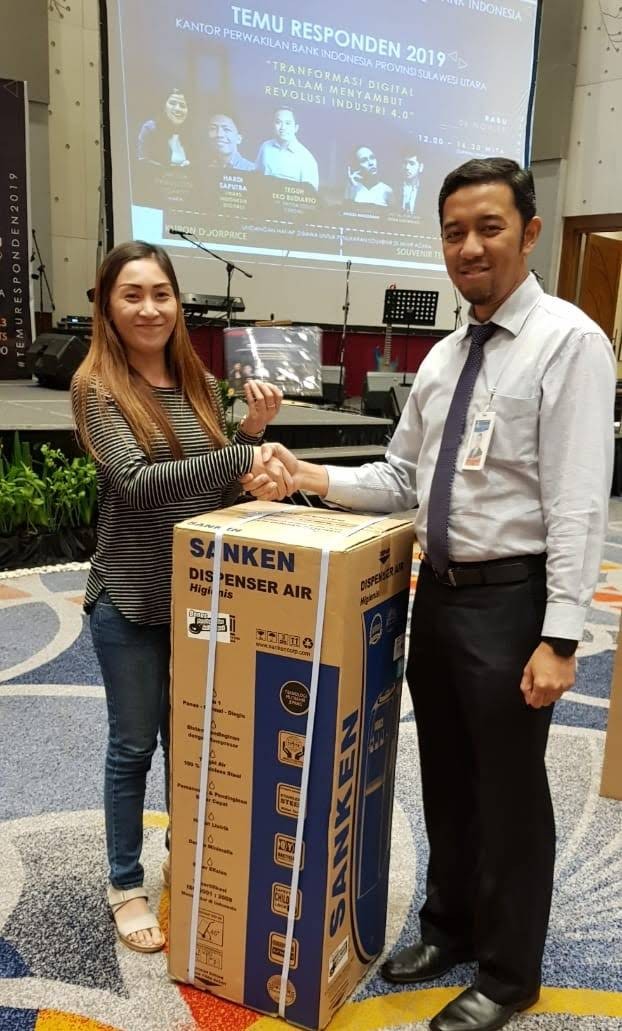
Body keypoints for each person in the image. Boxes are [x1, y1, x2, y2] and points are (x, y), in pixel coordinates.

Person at [241, 158, 616, 1031]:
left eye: (490, 227)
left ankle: (510, 972)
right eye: (454, 232)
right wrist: (311, 476)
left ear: (530, 232)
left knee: (509, 793)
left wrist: (562, 635)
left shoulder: (569, 342)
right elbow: (404, 478)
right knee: (446, 777)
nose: (470, 246)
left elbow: (577, 500)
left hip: (514, 602)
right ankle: (450, 926)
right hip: (437, 597)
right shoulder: (446, 357)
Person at [71, 240, 290, 955]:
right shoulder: (97, 386)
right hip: (132, 599)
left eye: (161, 293)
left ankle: (186, 858)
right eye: (132, 294)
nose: (149, 308)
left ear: (177, 302)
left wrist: (249, 436)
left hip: (201, 601)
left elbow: (211, 490)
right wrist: (242, 452)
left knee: (191, 743)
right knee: (133, 746)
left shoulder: (197, 380)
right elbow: (136, 483)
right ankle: (124, 884)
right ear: (108, 306)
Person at [255, 107, 319, 190]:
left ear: (296, 128)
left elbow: (310, 193)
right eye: (278, 122)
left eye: (288, 123)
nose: (283, 128)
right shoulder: (265, 147)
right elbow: (256, 176)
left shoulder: (306, 158)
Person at [137, 88, 193, 167]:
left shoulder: (193, 133)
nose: (178, 109)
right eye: (172, 103)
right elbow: (142, 160)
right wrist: (169, 168)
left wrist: (191, 166)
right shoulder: (150, 128)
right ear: (164, 107)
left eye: (182, 105)